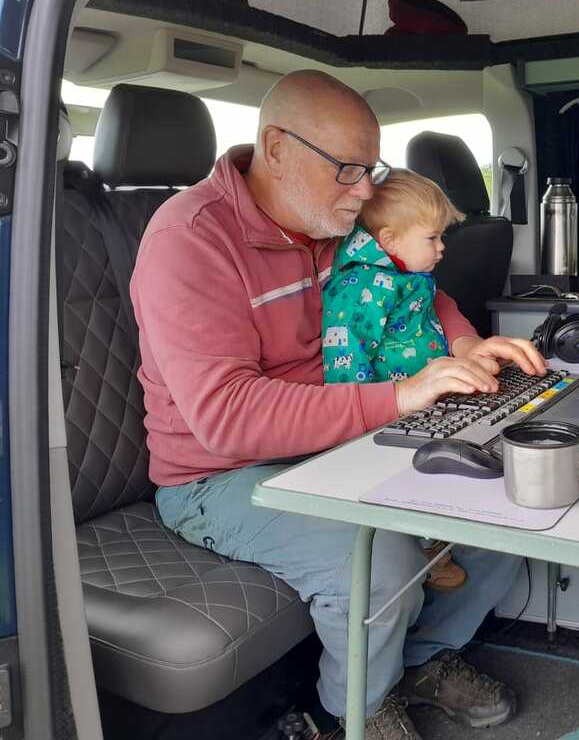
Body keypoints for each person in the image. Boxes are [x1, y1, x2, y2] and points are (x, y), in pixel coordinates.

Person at [130, 69, 547, 740]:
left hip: (340, 443)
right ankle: (353, 711)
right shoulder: (190, 240)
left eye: (371, 169)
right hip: (220, 476)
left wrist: (466, 344)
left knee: (504, 502)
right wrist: (401, 397)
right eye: (347, 170)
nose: (365, 190)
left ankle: (418, 661)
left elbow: (418, 292)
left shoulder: (334, 220)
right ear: (277, 149)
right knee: (377, 563)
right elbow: (227, 417)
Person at [322, 168, 469, 592]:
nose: (441, 248)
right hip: (388, 411)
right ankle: (426, 547)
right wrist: (367, 420)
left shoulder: (406, 276)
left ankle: (436, 540)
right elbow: (347, 355)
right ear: (388, 240)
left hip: (423, 399)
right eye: (432, 238)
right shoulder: (361, 287)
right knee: (408, 474)